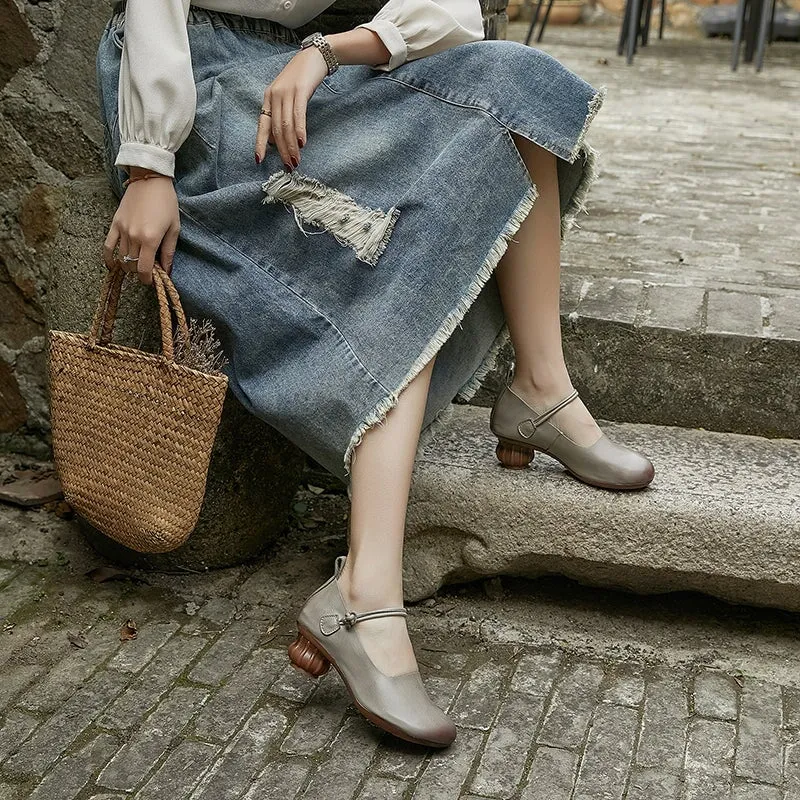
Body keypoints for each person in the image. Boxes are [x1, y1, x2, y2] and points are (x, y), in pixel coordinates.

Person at [96, 0, 655, 748]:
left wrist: (326, 52)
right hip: (198, 89)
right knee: (385, 238)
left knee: (517, 85)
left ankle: (541, 388)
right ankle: (366, 594)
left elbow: (454, 12)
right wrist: (148, 164)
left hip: (301, 74)